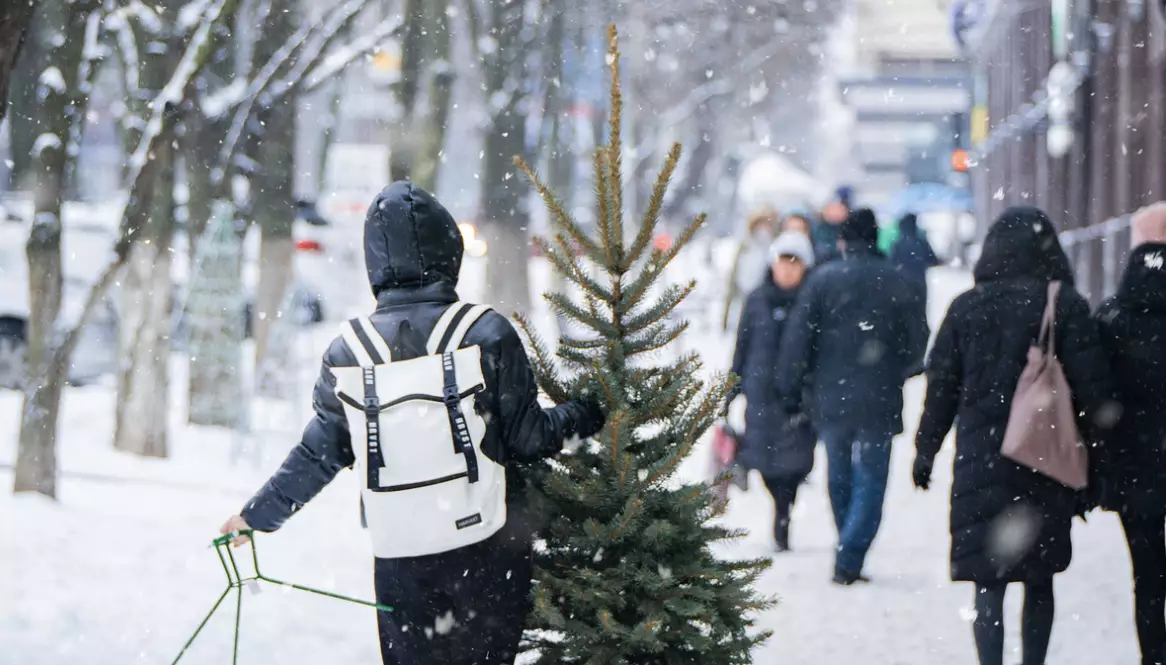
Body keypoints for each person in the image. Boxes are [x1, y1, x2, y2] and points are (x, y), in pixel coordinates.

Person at [219, 182, 606, 665]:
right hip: (486, 549)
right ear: (450, 251)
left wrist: (256, 516)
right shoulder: (485, 333)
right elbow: (532, 439)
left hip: (401, 557)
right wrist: (595, 410)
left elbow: (319, 454)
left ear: (375, 263)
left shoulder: (349, 353)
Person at [912, 206, 1113, 665]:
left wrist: (926, 449)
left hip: (983, 462)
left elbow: (941, 386)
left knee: (989, 581)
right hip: (1045, 457)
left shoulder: (966, 307)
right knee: (1040, 578)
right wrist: (1098, 466)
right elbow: (1093, 391)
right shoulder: (1063, 304)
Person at [777, 207, 929, 584]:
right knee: (872, 479)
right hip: (879, 397)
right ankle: (852, 550)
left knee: (839, 474)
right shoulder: (897, 281)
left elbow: (798, 340)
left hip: (830, 398)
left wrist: (792, 388)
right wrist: (898, 371)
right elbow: (917, 343)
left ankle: (847, 545)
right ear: (875, 238)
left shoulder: (821, 281)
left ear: (843, 240)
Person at [1095, 202, 1166, 665]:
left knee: (1147, 574)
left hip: (1135, 470)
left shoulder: (1113, 317)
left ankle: (1154, 656)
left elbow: (1096, 395)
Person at [728, 231, 818, 552]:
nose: (788, 269)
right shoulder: (756, 300)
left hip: (797, 399)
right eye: (784, 261)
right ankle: (780, 510)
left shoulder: (813, 300)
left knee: (794, 466)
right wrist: (730, 389)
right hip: (761, 395)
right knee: (765, 463)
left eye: (795, 263)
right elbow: (742, 346)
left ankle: (783, 514)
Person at [722, 208, 779, 331]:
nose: (763, 229)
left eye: (766, 225)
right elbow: (735, 273)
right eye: (761, 225)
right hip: (743, 291)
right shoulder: (746, 245)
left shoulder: (774, 247)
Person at [890, 213, 940, 304]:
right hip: (920, 283)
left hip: (902, 283)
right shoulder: (922, 243)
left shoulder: (898, 244)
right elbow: (934, 261)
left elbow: (892, 264)